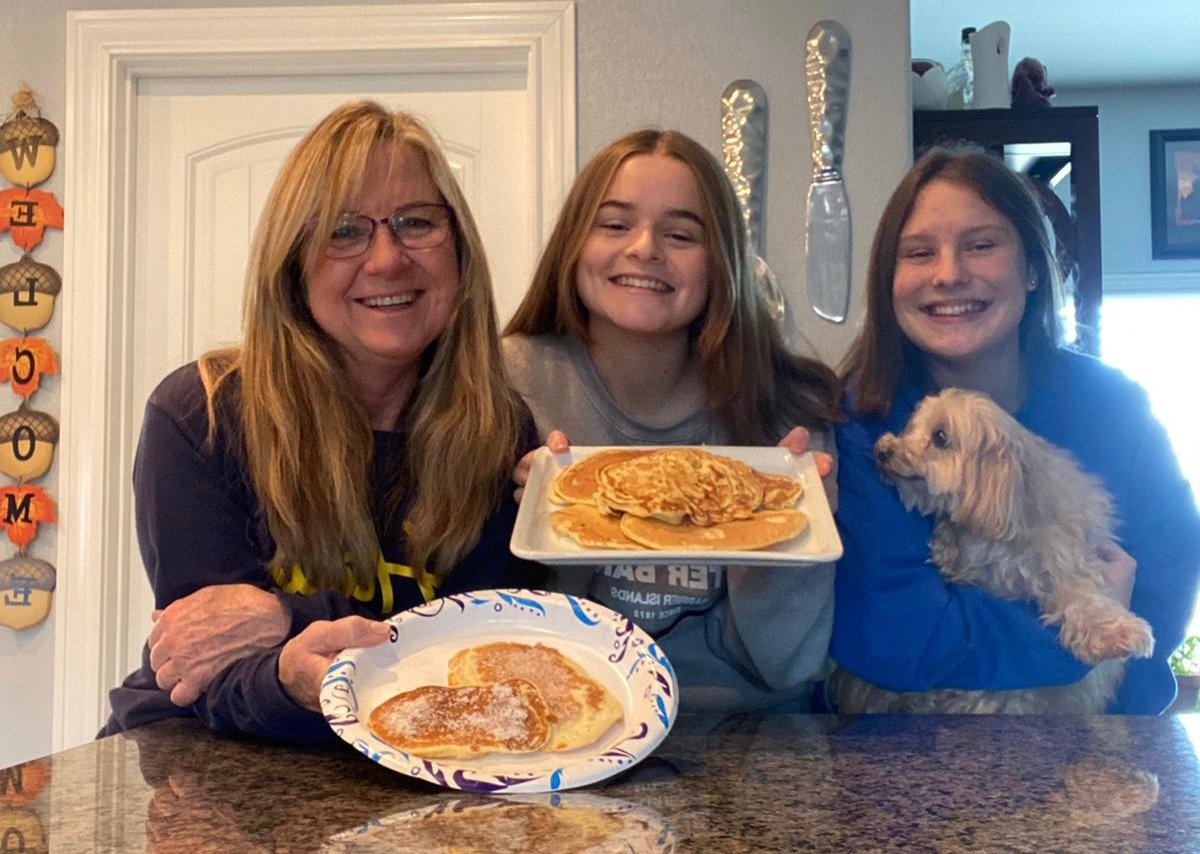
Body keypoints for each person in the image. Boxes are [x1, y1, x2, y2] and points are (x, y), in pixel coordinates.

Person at [102, 101, 537, 742]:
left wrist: (280, 619)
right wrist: (288, 657)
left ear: (461, 254)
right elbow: (203, 668)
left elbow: (477, 669)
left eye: (417, 223)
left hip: (413, 775)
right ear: (291, 261)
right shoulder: (200, 413)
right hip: (198, 760)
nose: (387, 259)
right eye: (343, 231)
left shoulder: (499, 433)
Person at [832, 145, 1200, 713]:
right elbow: (896, 635)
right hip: (903, 752)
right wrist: (1082, 631)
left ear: (1032, 269)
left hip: (1106, 737)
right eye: (919, 252)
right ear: (890, 282)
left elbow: (1163, 586)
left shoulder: (1116, 408)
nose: (949, 274)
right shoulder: (856, 425)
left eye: (981, 246)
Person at [504, 128, 841, 713]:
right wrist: (540, 527)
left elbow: (791, 669)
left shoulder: (787, 415)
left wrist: (794, 547)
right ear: (573, 245)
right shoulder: (509, 384)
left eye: (681, 234)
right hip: (561, 723)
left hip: (746, 742)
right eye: (613, 224)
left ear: (722, 264)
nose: (644, 248)